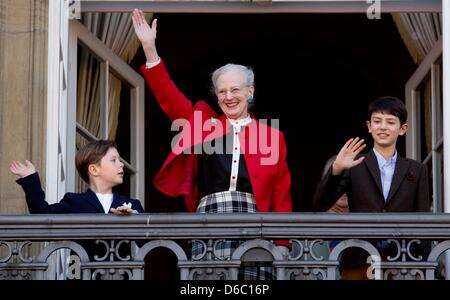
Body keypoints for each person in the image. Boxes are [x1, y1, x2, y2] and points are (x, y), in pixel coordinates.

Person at [132, 9, 292, 279]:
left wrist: (283, 243)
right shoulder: (204, 123)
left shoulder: (271, 136)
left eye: (235, 90)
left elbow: (280, 194)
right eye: (222, 91)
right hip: (209, 218)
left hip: (255, 222)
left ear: (250, 92)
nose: (229, 97)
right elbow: (170, 99)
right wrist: (150, 49)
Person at [313, 96, 430, 280]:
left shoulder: (416, 169)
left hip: (403, 261)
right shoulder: (355, 164)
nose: (383, 127)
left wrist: (424, 268)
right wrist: (336, 169)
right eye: (377, 121)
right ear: (369, 126)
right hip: (359, 259)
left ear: (402, 129)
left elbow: (423, 220)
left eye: (390, 122)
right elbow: (320, 204)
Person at [10, 140, 144, 215]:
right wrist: (30, 178)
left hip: (123, 266)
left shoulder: (133, 205)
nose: (121, 164)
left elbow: (150, 243)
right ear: (94, 169)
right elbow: (42, 214)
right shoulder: (74, 202)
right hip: (82, 265)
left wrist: (135, 219)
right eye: (114, 160)